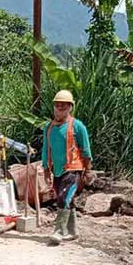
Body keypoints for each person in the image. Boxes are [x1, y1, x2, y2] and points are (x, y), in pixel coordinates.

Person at [42, 90, 92, 246]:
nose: (59, 109)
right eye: (57, 106)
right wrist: (46, 169)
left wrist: (87, 170)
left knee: (64, 198)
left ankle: (59, 231)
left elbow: (86, 149)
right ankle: (73, 231)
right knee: (65, 198)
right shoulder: (49, 127)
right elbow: (46, 149)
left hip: (73, 168)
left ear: (70, 107)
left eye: (63, 106)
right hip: (58, 170)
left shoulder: (77, 126)